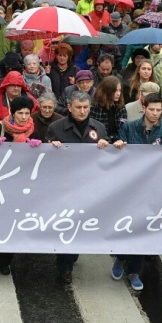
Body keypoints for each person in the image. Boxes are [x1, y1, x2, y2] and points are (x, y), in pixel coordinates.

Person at [113, 92, 162, 291]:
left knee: (144, 229)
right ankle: (120, 257)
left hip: (155, 189)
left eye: (159, 110)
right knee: (126, 225)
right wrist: (118, 145)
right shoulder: (129, 127)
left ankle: (134, 270)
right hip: (130, 187)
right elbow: (119, 150)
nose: (155, 113)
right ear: (144, 108)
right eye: (151, 109)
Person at [46, 90, 111, 283]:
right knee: (67, 225)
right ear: (69, 108)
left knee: (81, 226)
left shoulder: (98, 128)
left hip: (89, 187)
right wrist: (50, 146)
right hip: (64, 188)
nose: (82, 111)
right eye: (78, 108)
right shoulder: (56, 128)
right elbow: (43, 156)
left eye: (85, 107)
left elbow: (107, 158)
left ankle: (72, 255)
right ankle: (64, 267)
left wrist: (105, 145)